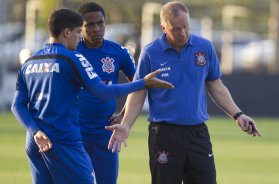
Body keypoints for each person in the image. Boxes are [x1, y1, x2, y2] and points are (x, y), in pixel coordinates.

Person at [10, 8, 173, 184]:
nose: (80, 36)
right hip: (64, 137)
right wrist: (144, 83)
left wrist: (35, 130)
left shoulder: (30, 62)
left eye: (100, 23)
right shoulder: (72, 58)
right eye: (79, 31)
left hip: (38, 140)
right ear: (67, 32)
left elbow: (17, 105)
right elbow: (103, 92)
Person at [106, 2, 262, 184]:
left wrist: (238, 114)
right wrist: (126, 125)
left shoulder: (204, 47)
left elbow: (216, 85)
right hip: (164, 134)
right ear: (163, 27)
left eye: (186, 27)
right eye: (176, 29)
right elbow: (139, 92)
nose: (183, 33)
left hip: (197, 133)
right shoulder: (151, 52)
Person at [76, 3, 136, 184]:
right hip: (73, 132)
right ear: (80, 27)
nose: (97, 28)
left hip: (105, 133)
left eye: (100, 23)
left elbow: (138, 86)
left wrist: (123, 116)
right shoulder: (71, 52)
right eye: (90, 25)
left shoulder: (119, 52)